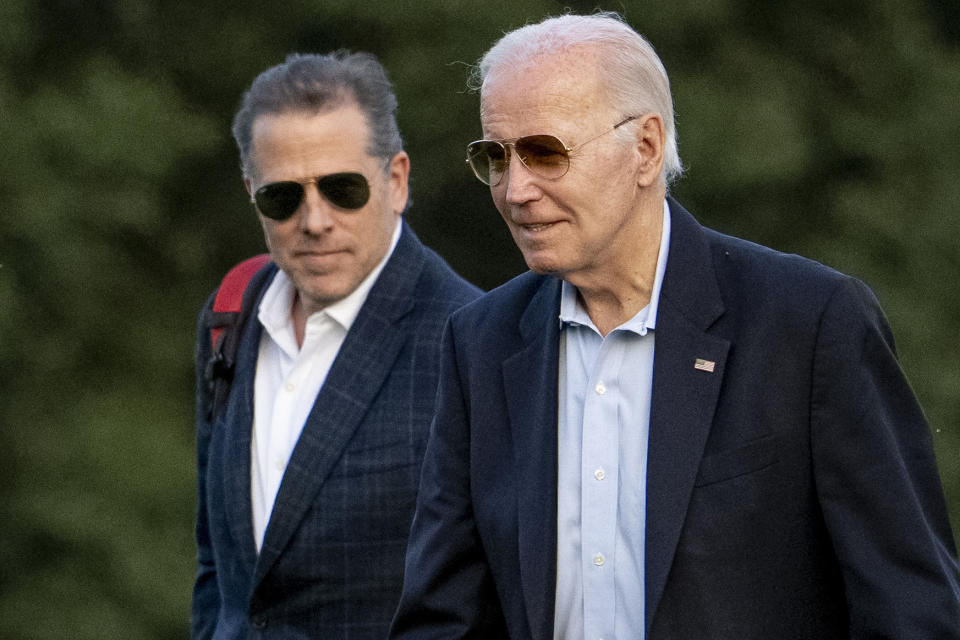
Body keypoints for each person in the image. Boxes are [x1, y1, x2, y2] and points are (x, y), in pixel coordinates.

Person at [391, 12, 960, 639]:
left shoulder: (810, 324)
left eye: (545, 153)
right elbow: (445, 619)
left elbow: (910, 607)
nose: (516, 189)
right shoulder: (480, 341)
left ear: (646, 147)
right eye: (495, 156)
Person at [191, 51, 481, 639]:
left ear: (396, 181)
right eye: (283, 197)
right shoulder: (230, 316)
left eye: (342, 188)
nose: (315, 220)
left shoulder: (470, 337)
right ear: (252, 192)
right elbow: (218, 568)